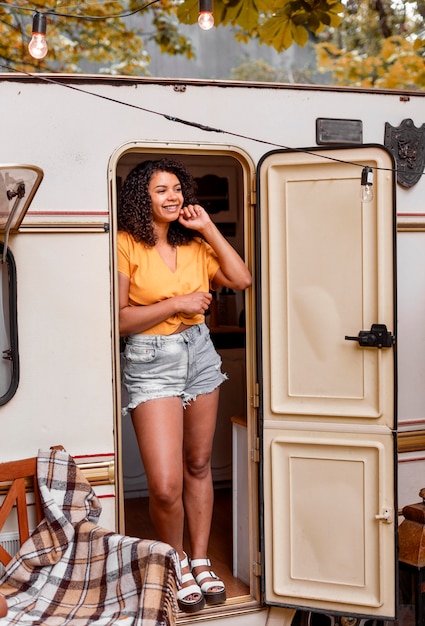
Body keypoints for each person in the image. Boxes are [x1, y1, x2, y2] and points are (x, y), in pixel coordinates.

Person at [117, 158, 252, 614]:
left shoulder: (195, 245)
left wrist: (210, 227)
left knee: (198, 465)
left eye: (177, 188)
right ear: (142, 197)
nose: (172, 196)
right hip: (151, 360)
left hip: (200, 353)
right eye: (161, 190)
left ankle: (199, 558)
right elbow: (120, 320)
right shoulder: (124, 245)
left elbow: (242, 278)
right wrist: (178, 301)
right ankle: (172, 560)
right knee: (166, 484)